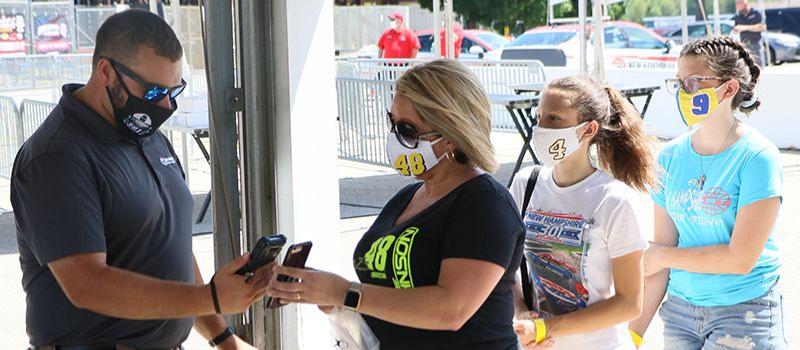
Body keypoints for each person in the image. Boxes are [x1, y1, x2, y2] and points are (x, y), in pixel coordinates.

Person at [11, 10, 272, 349]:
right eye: (152, 92)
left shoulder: (147, 135)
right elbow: (88, 285)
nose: (164, 104)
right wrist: (211, 298)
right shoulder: (57, 157)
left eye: (172, 91)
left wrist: (224, 338)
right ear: (106, 72)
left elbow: (172, 250)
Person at [267, 60, 525, 349]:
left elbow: (452, 309)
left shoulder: (484, 204)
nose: (396, 138)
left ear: (452, 135)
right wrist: (329, 293)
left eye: (407, 130)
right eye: (392, 123)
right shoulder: (407, 197)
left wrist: (347, 294)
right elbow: (386, 294)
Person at [629, 36, 787, 349]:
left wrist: (662, 256)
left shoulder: (757, 157)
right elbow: (660, 257)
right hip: (679, 313)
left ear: (728, 89)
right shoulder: (670, 157)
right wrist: (632, 335)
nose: (682, 93)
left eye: (691, 83)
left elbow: (740, 259)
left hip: (745, 312)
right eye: (678, 84)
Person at [510, 76, 657, 349]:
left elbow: (629, 303)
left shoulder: (615, 200)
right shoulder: (525, 183)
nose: (540, 127)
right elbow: (508, 267)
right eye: (539, 116)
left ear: (588, 129)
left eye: (554, 119)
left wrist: (546, 327)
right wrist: (521, 312)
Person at [733, 0, 767, 67]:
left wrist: (744, 27)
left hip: (756, 44)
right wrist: (736, 30)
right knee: (747, 69)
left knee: (758, 67)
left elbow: (762, 27)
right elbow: (737, 29)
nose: (738, 5)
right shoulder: (737, 16)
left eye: (740, 3)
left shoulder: (756, 13)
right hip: (744, 46)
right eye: (737, 3)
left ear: (746, 2)